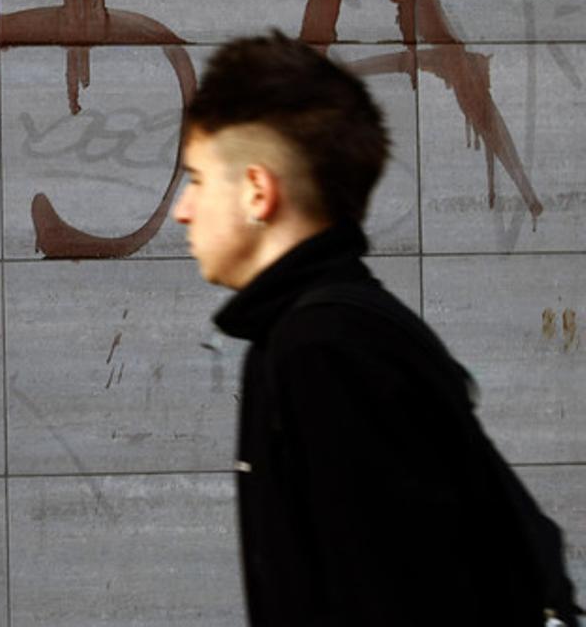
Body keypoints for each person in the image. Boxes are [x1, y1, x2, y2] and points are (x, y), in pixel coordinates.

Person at [171, 31, 580, 626]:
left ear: (258, 191)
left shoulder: (326, 352)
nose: (182, 210)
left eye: (198, 179)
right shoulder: (314, 332)